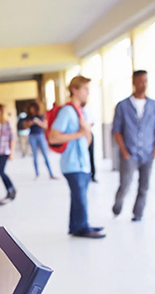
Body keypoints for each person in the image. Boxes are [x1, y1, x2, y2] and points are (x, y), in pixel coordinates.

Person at [48, 76, 105, 239]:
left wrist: (85, 132)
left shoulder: (80, 111)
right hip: (72, 163)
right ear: (74, 90)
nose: (88, 93)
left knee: (78, 196)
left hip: (82, 163)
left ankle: (76, 225)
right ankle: (82, 227)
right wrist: (80, 133)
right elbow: (53, 137)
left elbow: (85, 140)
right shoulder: (67, 111)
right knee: (80, 197)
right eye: (85, 89)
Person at [112, 70, 155, 222]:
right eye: (140, 81)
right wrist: (124, 152)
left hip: (147, 153)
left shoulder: (153, 105)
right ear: (134, 82)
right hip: (129, 153)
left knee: (144, 186)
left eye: (145, 81)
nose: (143, 84)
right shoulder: (122, 106)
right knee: (125, 184)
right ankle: (117, 206)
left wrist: (154, 150)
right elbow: (116, 131)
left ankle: (138, 213)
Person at [0, 104, 17, 200]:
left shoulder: (7, 123)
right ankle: (9, 191)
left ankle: (11, 188)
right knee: (0, 172)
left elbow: (11, 138)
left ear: (0, 111)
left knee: (1, 172)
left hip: (4, 151)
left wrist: (11, 152)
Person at [23, 102, 56, 179]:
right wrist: (30, 123)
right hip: (32, 136)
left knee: (45, 155)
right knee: (35, 156)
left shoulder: (41, 116)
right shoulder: (28, 117)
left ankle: (51, 173)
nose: (32, 110)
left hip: (40, 135)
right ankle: (37, 174)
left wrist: (38, 122)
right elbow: (24, 127)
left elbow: (45, 126)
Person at [82, 105, 98, 182]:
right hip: (80, 136)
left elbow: (92, 122)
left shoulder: (88, 109)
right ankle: (85, 174)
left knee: (91, 155)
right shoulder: (75, 110)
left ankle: (93, 174)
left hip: (88, 134)